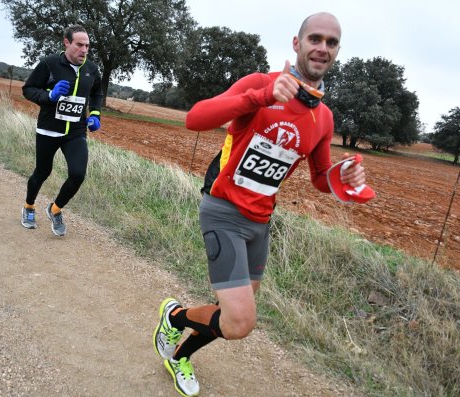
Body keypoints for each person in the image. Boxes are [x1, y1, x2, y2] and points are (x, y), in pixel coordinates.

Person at [153, 12, 367, 397]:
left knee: (231, 315)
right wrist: (263, 96)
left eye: (331, 42)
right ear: (296, 44)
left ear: (336, 51)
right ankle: (175, 316)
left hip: (261, 222)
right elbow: (195, 118)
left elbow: (320, 179)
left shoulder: (324, 118)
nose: (322, 47)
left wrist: (343, 177)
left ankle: (179, 352)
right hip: (223, 210)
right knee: (240, 321)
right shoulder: (261, 84)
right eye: (314, 38)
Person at [20, 24, 103, 236]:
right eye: (79, 45)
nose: (84, 50)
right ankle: (29, 207)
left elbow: (96, 94)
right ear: (66, 43)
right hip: (49, 130)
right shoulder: (49, 64)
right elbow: (28, 89)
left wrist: (94, 114)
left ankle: (55, 209)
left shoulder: (91, 70)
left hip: (75, 132)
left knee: (78, 174)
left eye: (87, 46)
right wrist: (49, 96)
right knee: (42, 172)